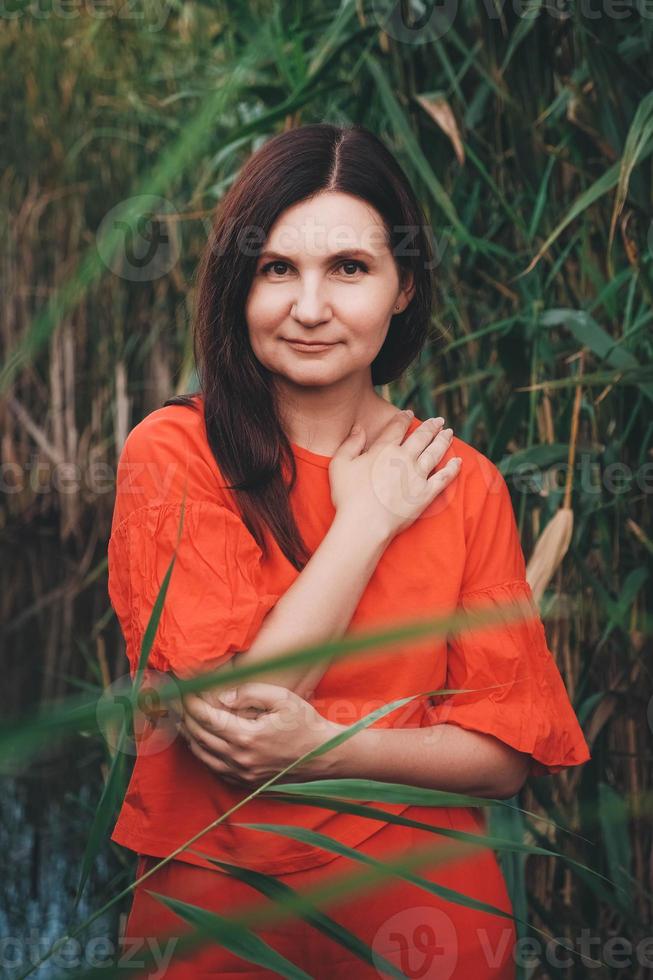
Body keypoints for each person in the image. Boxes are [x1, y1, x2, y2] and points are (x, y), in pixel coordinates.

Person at [107, 123, 591, 978]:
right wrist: (365, 523)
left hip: (421, 922)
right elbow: (247, 707)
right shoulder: (174, 454)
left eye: (350, 269)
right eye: (276, 269)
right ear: (236, 285)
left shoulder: (461, 481)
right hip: (213, 914)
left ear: (404, 287)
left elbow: (504, 756)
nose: (308, 308)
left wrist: (331, 748)